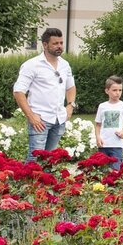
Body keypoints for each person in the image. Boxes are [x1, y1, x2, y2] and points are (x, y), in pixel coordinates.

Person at [13, 28, 76, 162]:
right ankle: (28, 183)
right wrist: (31, 116)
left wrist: (70, 105)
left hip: (59, 119)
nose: (59, 46)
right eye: (55, 43)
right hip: (40, 120)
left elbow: (70, 87)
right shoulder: (32, 65)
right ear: (45, 45)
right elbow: (18, 91)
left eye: (61, 43)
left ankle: (46, 183)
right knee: (34, 159)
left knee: (49, 160)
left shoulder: (65, 65)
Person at [94, 75, 123, 171]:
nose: (117, 93)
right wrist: (98, 137)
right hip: (103, 145)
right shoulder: (102, 106)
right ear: (107, 91)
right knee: (102, 171)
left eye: (120, 90)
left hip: (117, 145)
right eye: (114, 90)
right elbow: (98, 124)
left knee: (115, 171)